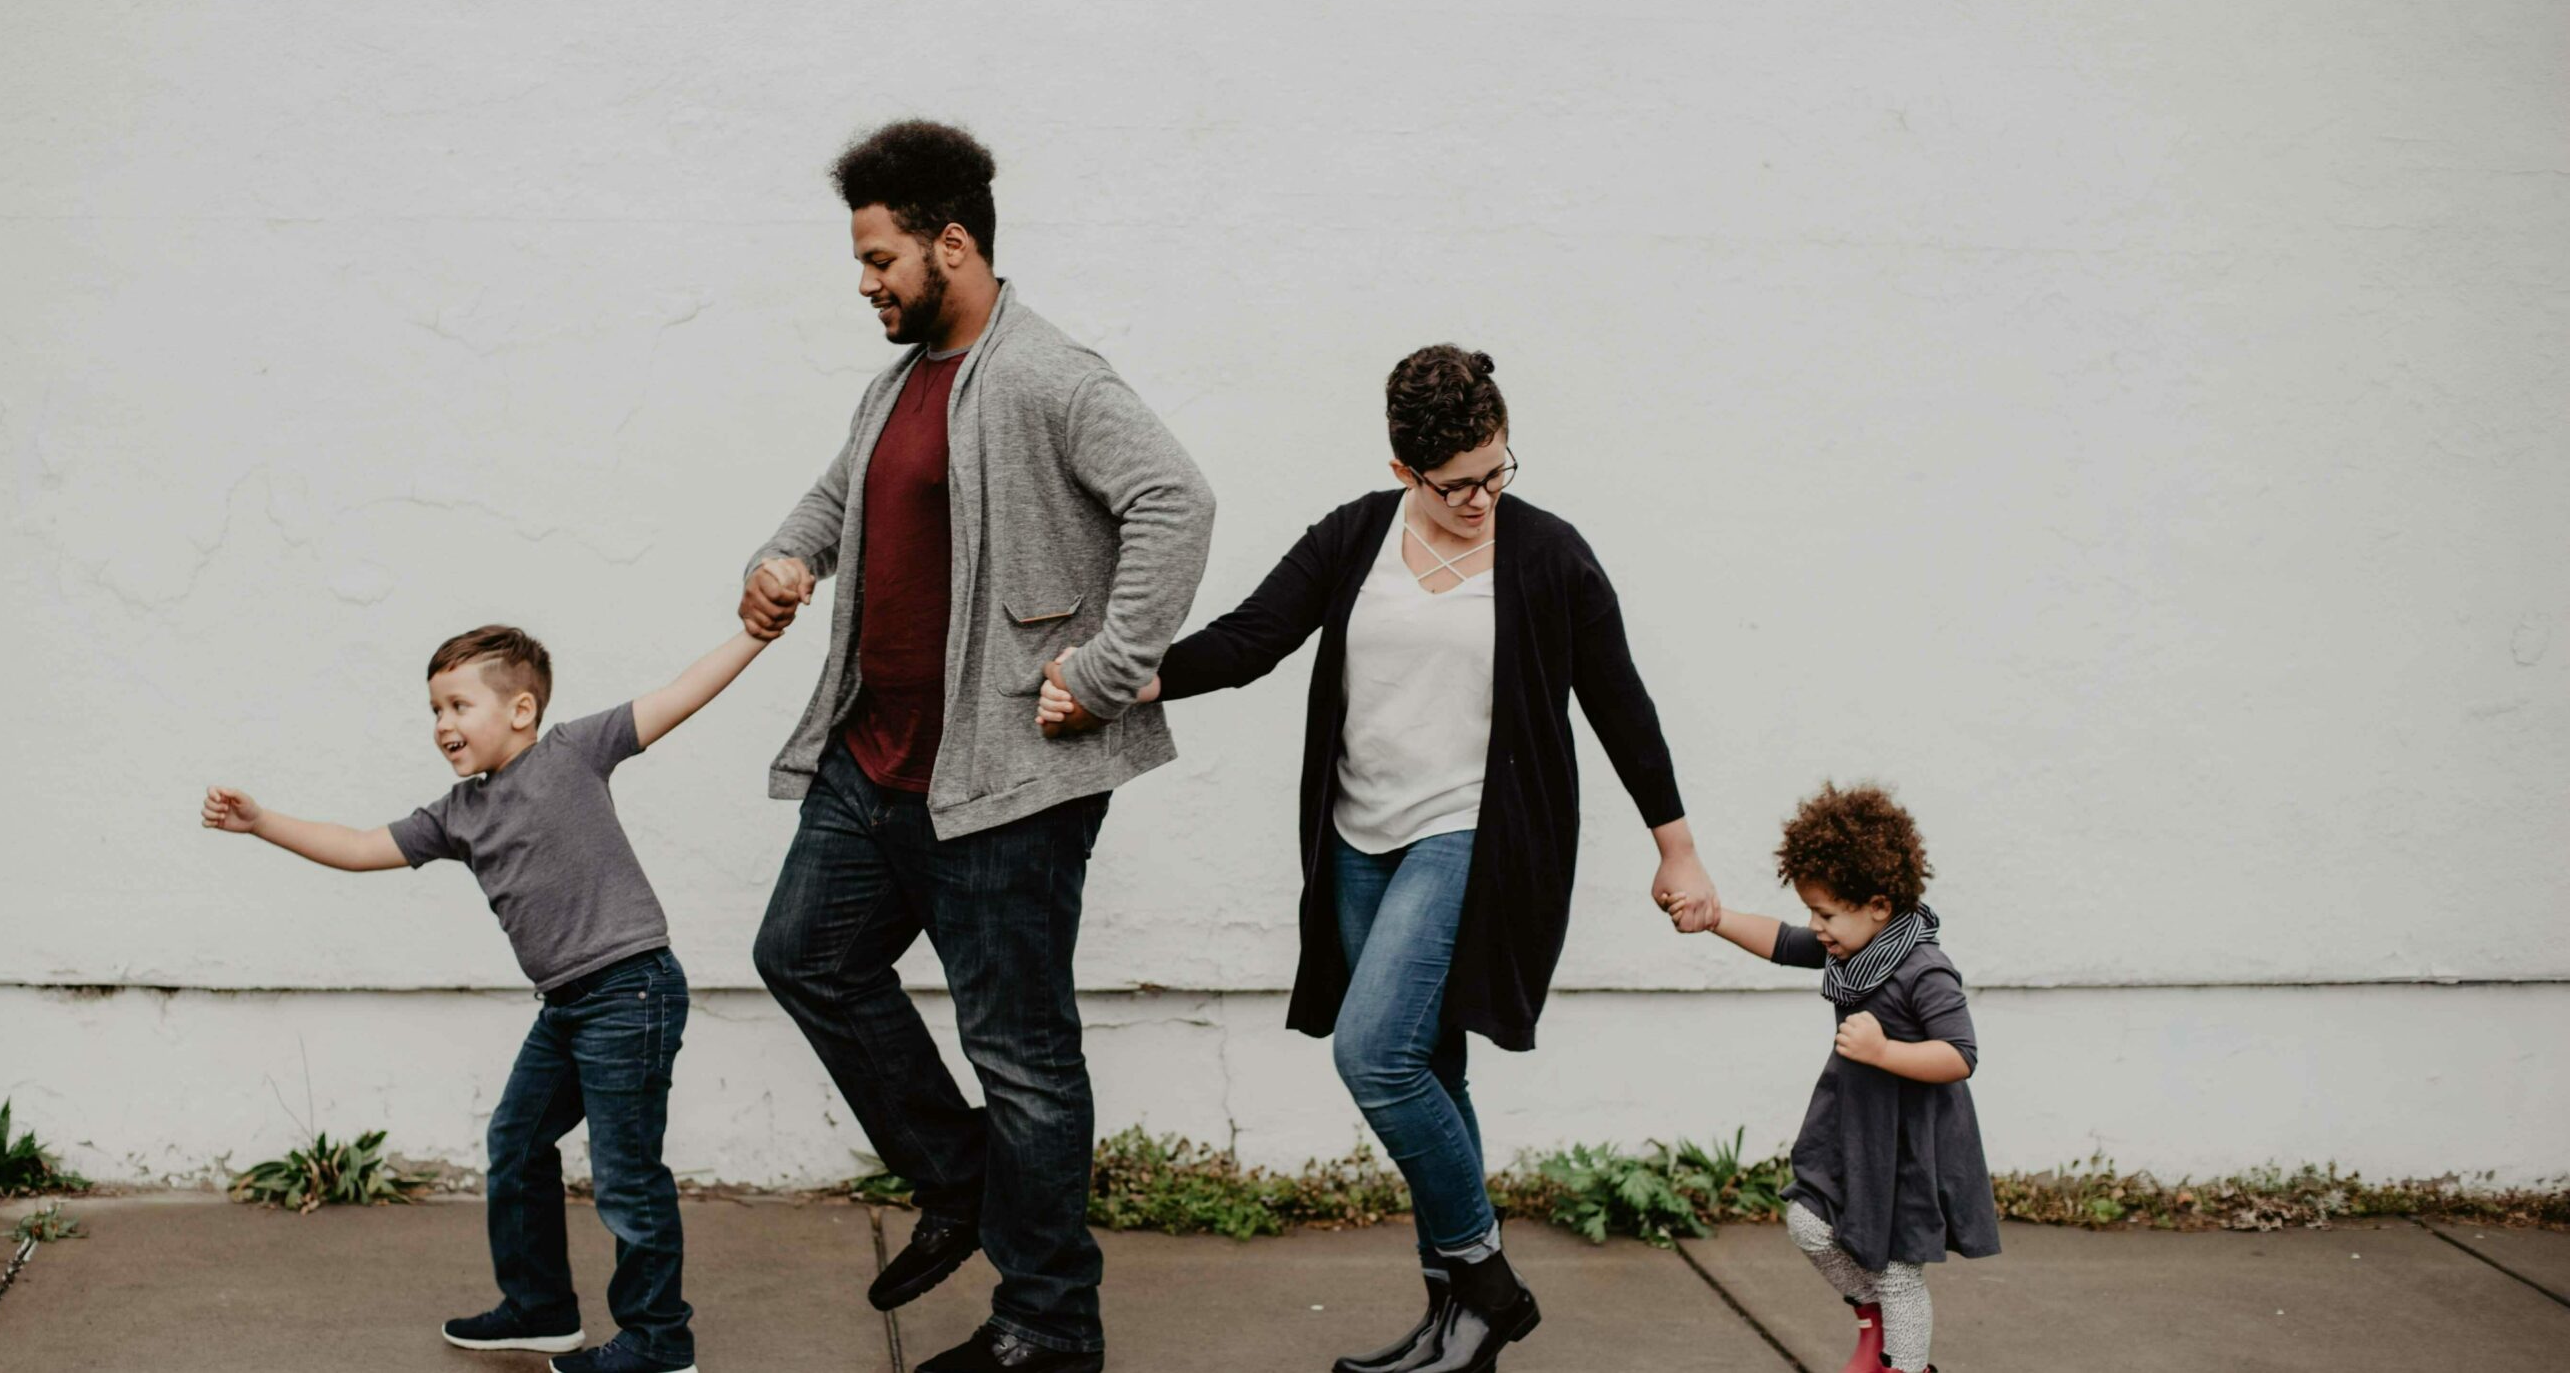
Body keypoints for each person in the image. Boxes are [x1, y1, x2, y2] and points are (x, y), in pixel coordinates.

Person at [1039, 344, 1719, 1373]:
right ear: (1405, 471)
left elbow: (1620, 704)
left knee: (1375, 1055)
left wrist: (1680, 854)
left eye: (1499, 472)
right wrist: (1115, 683)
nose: (1482, 498)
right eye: (1457, 485)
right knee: (1432, 1068)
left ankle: (1485, 1278)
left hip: (1472, 836)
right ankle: (1457, 1326)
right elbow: (1249, 640)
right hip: (1359, 839)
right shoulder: (1357, 536)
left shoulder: (1549, 556)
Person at [742, 120, 1214, 1373]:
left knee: (1022, 1054)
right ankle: (962, 1184)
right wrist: (785, 556)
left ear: (953, 243)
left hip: (1003, 784)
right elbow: (843, 493)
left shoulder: (1049, 375)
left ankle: (1050, 1324)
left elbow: (1178, 501)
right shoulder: (898, 381)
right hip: (875, 759)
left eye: (880, 256)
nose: (865, 282)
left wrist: (1107, 675)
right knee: (803, 955)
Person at [202, 622, 776, 1373]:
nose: (442, 725)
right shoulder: (458, 814)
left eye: (458, 706)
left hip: (630, 991)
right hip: (566, 1006)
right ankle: (541, 1309)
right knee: (517, 1142)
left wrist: (756, 635)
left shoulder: (574, 751)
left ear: (521, 709)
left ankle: (660, 1345)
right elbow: (357, 846)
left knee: (627, 1176)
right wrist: (261, 823)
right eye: (434, 710)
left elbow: (680, 695)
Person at [1674, 781, 2000, 1373]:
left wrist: (1884, 1053)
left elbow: (1960, 1054)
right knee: (1808, 1222)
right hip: (1854, 1132)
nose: (1815, 925)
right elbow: (1779, 942)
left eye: (1825, 912)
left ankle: (1906, 1365)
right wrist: (1715, 918)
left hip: (1907, 1145)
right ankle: (1870, 1318)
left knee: (1897, 1269)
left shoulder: (1925, 968)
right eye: (1811, 910)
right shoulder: (1849, 950)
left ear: (1878, 905)